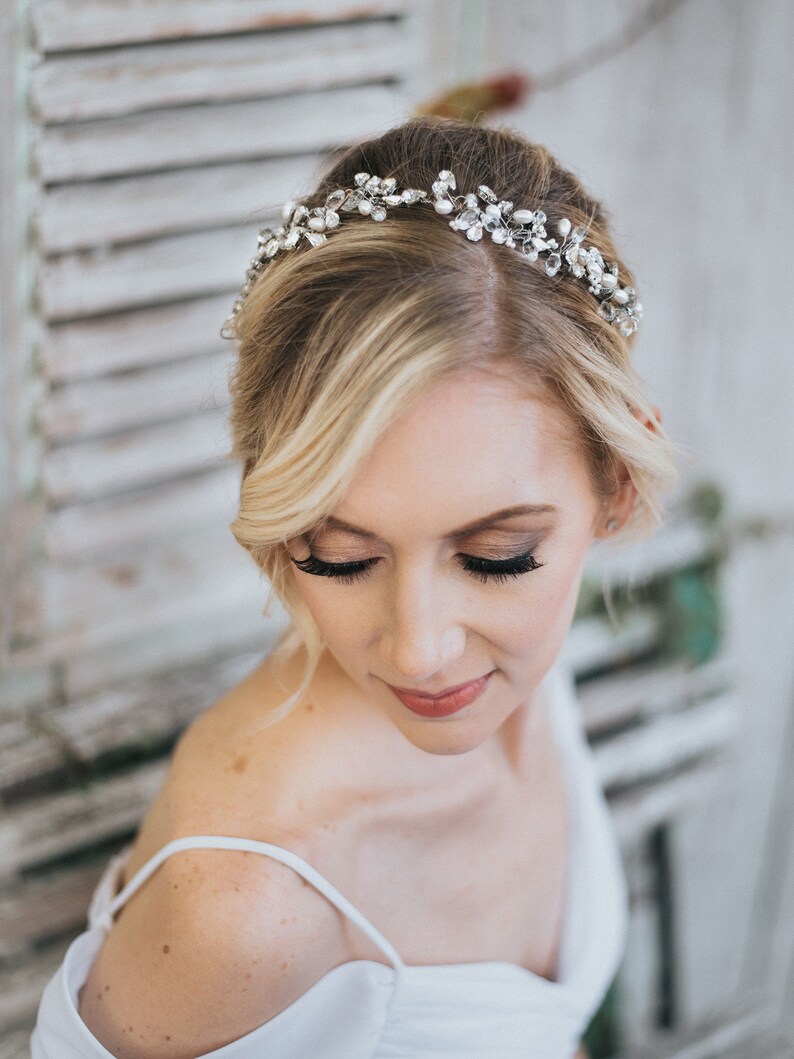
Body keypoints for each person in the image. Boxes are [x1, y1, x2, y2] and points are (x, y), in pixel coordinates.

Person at [31, 115, 678, 1058]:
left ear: (612, 486)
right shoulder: (247, 906)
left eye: (496, 556)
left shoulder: (521, 679)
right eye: (337, 555)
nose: (419, 647)